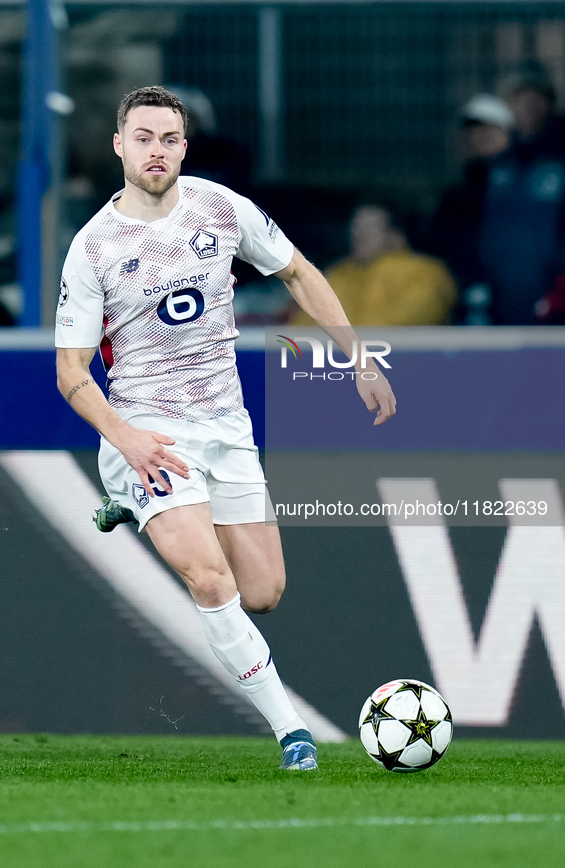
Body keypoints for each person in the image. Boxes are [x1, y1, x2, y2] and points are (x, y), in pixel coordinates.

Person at [54, 86, 396, 770]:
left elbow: (298, 271)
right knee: (209, 580)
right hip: (150, 433)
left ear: (185, 146)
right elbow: (70, 374)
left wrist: (357, 360)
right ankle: (292, 733)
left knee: (261, 591)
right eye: (143, 137)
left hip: (225, 425)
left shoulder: (222, 208)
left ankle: (131, 506)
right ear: (120, 145)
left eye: (169, 138)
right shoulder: (92, 248)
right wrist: (125, 437)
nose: (157, 150)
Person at [477, 61, 565, 324]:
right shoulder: (496, 159)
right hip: (502, 290)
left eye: (535, 97)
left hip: (552, 291)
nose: (527, 105)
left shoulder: (559, 157)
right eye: (519, 98)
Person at [427, 94, 514, 324]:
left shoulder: (529, 190)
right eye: (474, 130)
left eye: (490, 130)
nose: (480, 137)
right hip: (466, 296)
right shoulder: (457, 194)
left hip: (517, 297)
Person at [292, 205, 456, 326]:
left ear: (396, 235)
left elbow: (410, 319)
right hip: (333, 362)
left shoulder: (425, 272)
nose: (359, 234)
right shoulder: (337, 274)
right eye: (355, 227)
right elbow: (302, 327)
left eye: (370, 228)